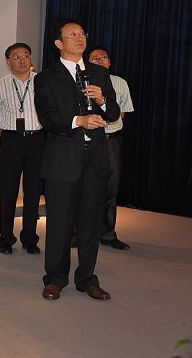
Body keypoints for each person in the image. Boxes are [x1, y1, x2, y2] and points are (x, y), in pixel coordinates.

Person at [34, 20, 120, 301]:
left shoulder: (99, 73)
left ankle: (87, 278)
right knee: (59, 223)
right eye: (72, 34)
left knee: (90, 224)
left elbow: (113, 113)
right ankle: (55, 278)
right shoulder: (46, 78)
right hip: (63, 161)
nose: (80, 37)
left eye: (82, 33)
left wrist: (103, 99)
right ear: (59, 43)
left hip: (95, 159)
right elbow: (47, 118)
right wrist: (78, 121)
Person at [0, 42, 45, 255]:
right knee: (8, 190)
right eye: (16, 56)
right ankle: (6, 238)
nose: (22, 60)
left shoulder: (42, 81)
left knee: (33, 191)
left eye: (26, 55)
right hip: (11, 140)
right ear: (8, 61)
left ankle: (30, 238)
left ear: (31, 59)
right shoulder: (0, 84)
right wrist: (10, 135)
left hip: (37, 140)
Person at [88, 46, 134, 250]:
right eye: (94, 58)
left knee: (111, 188)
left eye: (103, 58)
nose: (99, 61)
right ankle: (77, 233)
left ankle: (107, 234)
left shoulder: (120, 83)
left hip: (111, 140)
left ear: (109, 62)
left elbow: (120, 113)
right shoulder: (83, 82)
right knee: (84, 187)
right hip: (89, 140)